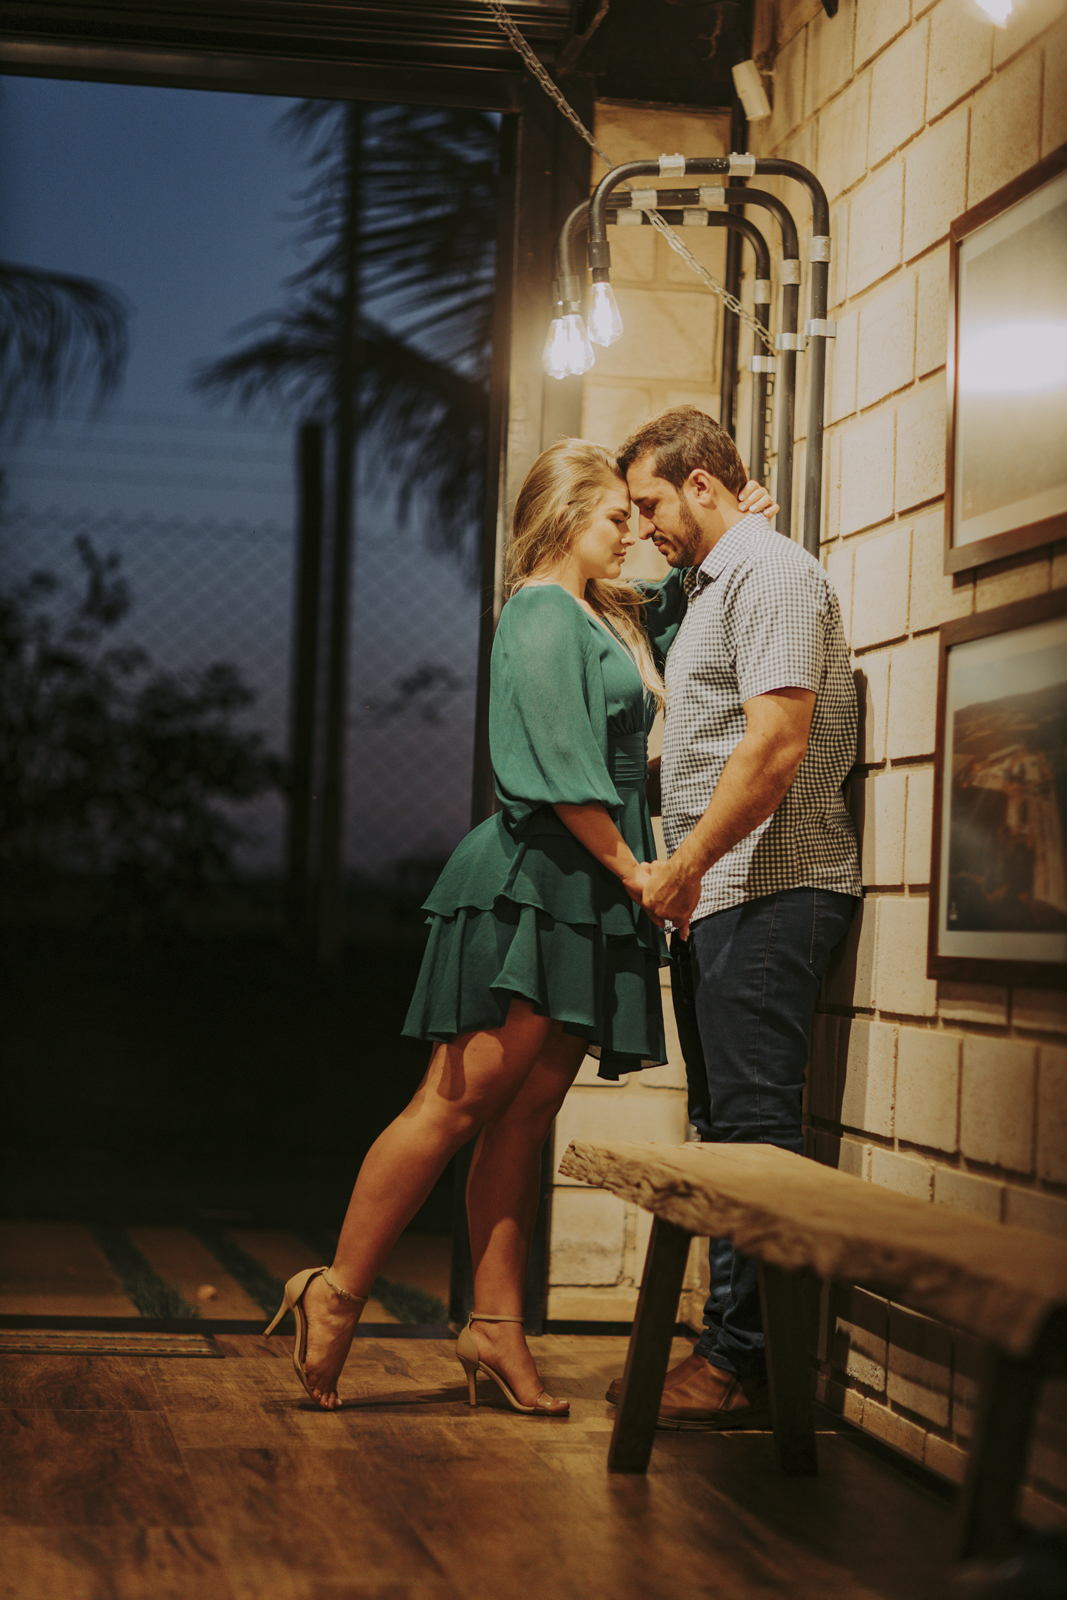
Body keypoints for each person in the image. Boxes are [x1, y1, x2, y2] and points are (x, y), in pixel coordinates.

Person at [267, 435, 774, 1415]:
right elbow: (550, 767)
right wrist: (635, 867)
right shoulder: (540, 614)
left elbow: (672, 614)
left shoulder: (597, 613)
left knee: (525, 1114)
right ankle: (333, 1290)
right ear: (557, 520)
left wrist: (736, 528)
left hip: (579, 889)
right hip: (536, 881)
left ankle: (494, 1331)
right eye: (610, 518)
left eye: (633, 518)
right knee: (453, 1102)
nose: (629, 532)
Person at [609, 406, 862, 1429]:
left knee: (753, 1138)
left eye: (651, 502)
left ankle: (744, 1366)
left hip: (765, 888)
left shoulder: (769, 573)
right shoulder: (717, 582)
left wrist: (684, 866)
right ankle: (729, 1349)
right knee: (722, 1132)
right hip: (724, 895)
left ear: (703, 484)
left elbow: (774, 745)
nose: (640, 525)